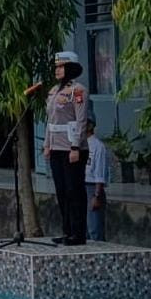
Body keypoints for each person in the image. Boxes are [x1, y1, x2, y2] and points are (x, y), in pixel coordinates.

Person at [44, 51, 90, 246]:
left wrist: (75, 147)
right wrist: (47, 144)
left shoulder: (78, 90)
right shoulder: (54, 91)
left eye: (61, 66)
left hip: (72, 148)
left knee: (74, 190)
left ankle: (78, 233)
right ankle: (67, 230)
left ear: (70, 68)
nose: (57, 70)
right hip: (56, 147)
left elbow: (80, 120)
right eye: (56, 67)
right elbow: (50, 121)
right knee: (62, 191)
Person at [85, 118, 110, 241]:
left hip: (92, 187)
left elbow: (100, 173)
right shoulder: (78, 144)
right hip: (81, 186)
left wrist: (96, 195)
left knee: (94, 228)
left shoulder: (98, 146)